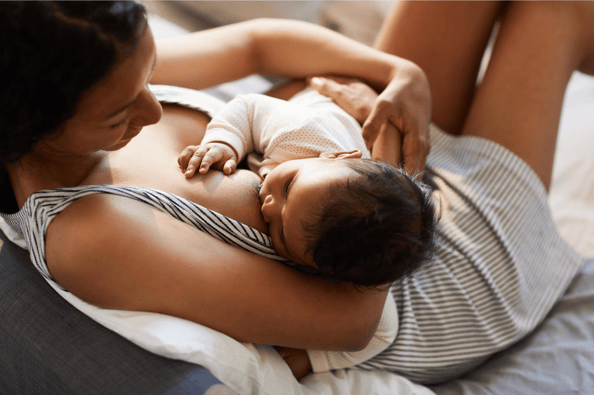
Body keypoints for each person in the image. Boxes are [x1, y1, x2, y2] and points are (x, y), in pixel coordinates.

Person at [0, 0, 591, 386]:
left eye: (149, 71)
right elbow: (354, 321)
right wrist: (378, 170)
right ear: (31, 125)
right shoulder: (89, 232)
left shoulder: (98, 64)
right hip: (433, 270)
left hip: (368, 158)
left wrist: (396, 75)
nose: (154, 108)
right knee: (555, 10)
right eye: (120, 115)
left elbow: (257, 45)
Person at [177, 88, 437, 287]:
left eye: (280, 233)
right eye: (289, 187)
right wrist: (225, 143)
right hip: (315, 100)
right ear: (337, 156)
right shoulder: (304, 133)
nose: (269, 206)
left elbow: (384, 327)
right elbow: (249, 109)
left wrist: (312, 357)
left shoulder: (333, 250)